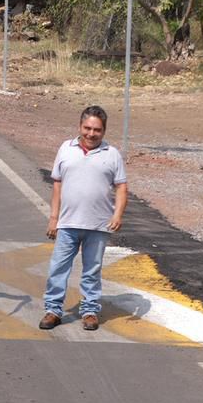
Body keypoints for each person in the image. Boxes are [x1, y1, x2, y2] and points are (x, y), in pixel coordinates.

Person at [38, 106, 127, 332]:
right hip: (68, 223)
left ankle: (89, 311)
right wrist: (53, 218)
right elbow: (57, 183)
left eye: (97, 130)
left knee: (92, 270)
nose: (91, 133)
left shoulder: (112, 154)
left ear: (104, 131)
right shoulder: (66, 149)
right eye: (87, 128)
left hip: (98, 225)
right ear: (80, 126)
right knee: (58, 268)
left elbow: (121, 186)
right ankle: (53, 310)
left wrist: (117, 214)